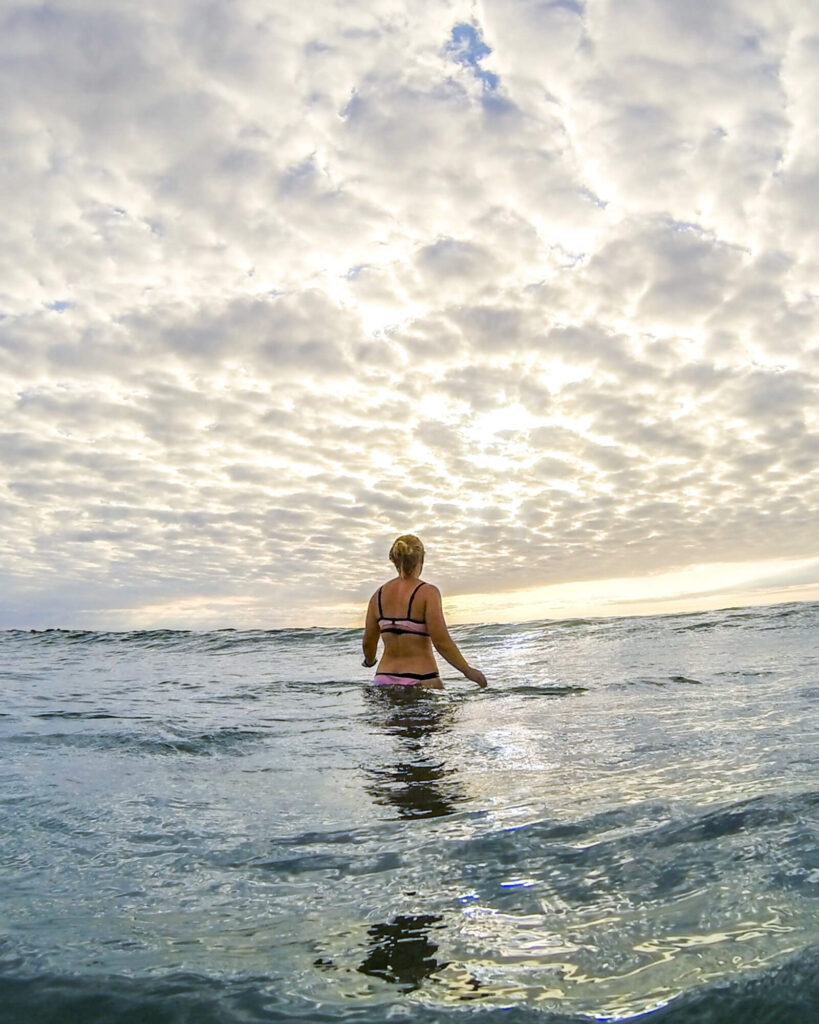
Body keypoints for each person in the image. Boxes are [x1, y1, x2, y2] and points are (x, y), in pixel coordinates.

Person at [362, 534, 487, 690]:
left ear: (394, 561)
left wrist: (369, 661)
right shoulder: (427, 593)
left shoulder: (378, 596)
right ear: (421, 560)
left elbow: (368, 642)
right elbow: (441, 641)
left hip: (383, 680)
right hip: (421, 679)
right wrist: (467, 670)